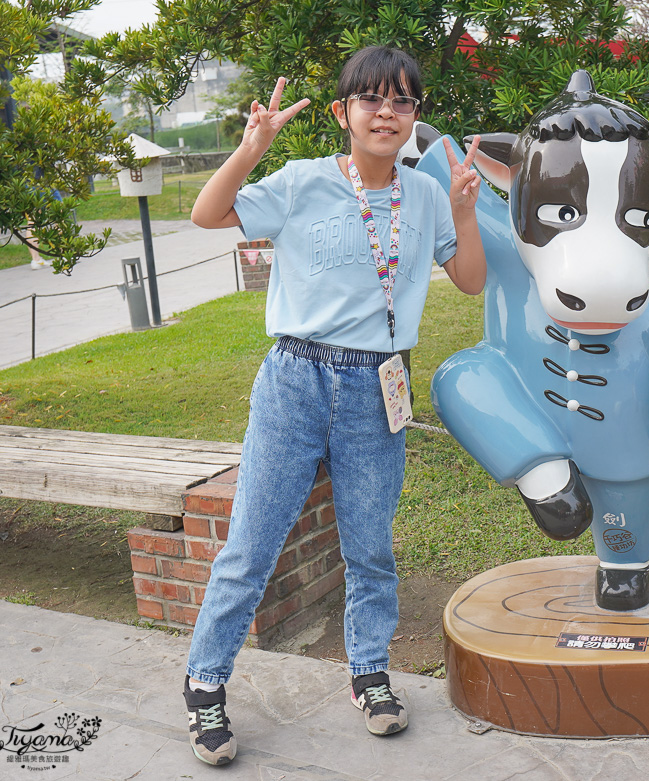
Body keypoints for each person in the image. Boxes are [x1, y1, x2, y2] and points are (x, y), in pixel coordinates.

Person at [182, 45, 485, 766]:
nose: (387, 112)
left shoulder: (426, 193)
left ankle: (370, 672)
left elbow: (470, 281)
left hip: (377, 385)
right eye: (372, 99)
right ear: (343, 112)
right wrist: (251, 149)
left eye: (403, 101)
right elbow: (206, 213)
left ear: (414, 115)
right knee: (252, 544)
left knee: (370, 545)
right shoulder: (302, 182)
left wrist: (467, 214)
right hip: (295, 377)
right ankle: (205, 680)